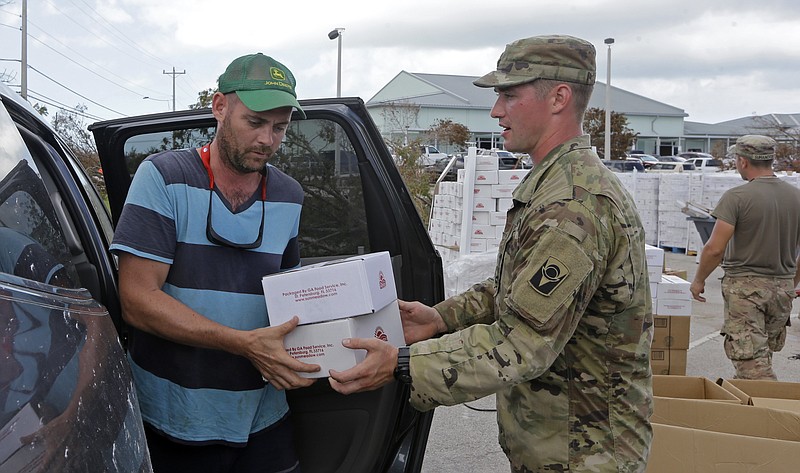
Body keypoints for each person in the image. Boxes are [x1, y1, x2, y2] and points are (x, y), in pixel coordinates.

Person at [328, 35, 653, 472]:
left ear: (559, 97)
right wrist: (441, 318)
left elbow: (522, 343)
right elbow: (516, 293)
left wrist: (402, 364)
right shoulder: (555, 186)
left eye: (509, 94)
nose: (496, 109)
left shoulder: (573, 205)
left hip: (584, 454)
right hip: (561, 444)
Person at [111, 53, 319, 473]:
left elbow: (289, 293)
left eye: (279, 128)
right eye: (255, 122)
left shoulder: (289, 195)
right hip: (177, 415)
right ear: (220, 107)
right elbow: (136, 298)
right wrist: (242, 343)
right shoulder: (164, 177)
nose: (267, 139)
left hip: (263, 412)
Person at [690, 135, 800, 380]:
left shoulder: (737, 197)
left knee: (753, 368)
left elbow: (714, 249)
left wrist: (699, 280)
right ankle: (746, 412)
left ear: (742, 162)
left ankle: (773, 414)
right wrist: (791, 283)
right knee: (759, 356)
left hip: (746, 290)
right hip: (782, 290)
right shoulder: (796, 196)